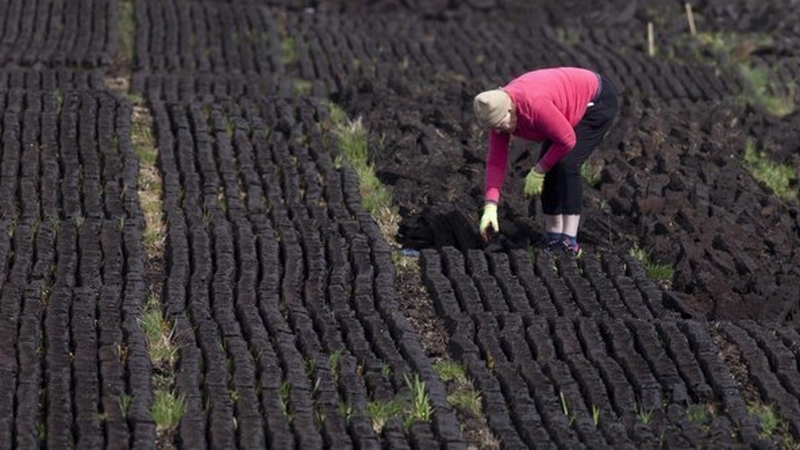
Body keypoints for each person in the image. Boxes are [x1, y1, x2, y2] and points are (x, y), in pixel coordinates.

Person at [474, 66, 618, 256]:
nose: (500, 131)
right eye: (495, 128)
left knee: (567, 164)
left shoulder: (534, 105)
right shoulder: (496, 116)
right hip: (560, 110)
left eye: (501, 125)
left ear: (510, 109)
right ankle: (553, 237)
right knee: (550, 163)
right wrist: (490, 207)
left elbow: (567, 140)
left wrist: (539, 169)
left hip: (596, 102)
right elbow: (496, 162)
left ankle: (569, 241)